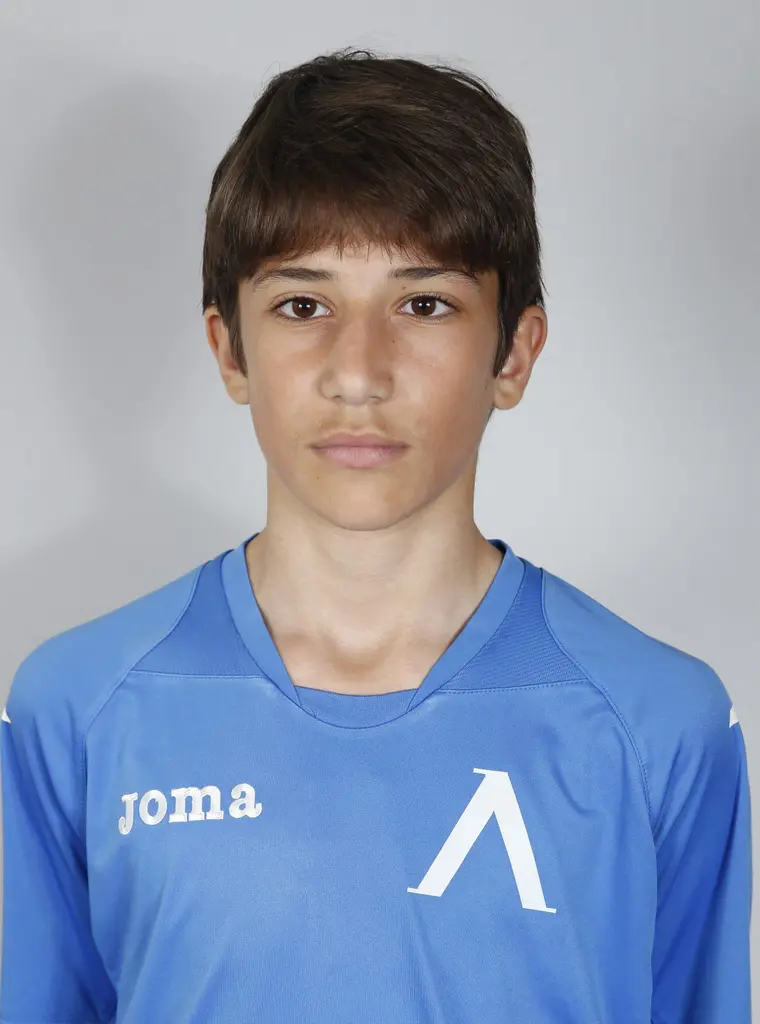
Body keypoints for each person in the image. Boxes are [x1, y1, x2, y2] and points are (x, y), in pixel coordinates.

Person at [0, 48, 751, 1024]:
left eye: (423, 304)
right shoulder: (77, 710)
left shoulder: (658, 723)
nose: (358, 372)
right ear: (229, 349)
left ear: (513, 354)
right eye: (303, 306)